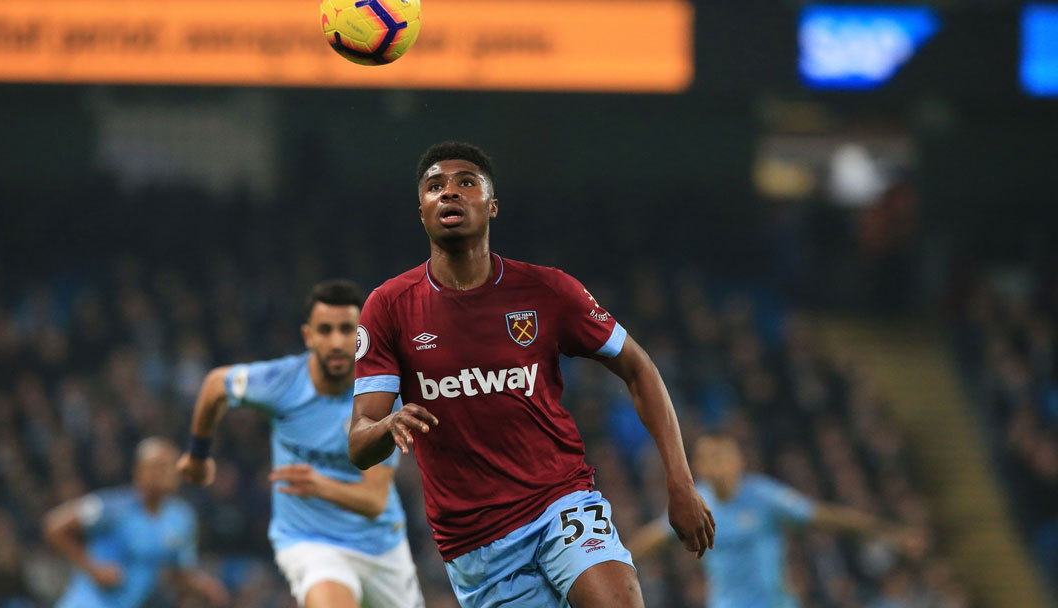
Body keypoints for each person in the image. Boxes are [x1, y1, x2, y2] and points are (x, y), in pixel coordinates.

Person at [349, 141, 716, 608]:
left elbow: (638, 367)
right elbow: (359, 443)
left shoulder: (546, 290)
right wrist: (387, 426)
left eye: (467, 183)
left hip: (560, 502)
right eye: (435, 186)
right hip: (476, 543)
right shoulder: (389, 307)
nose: (450, 194)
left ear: (492, 206)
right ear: (421, 211)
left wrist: (680, 481)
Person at [176, 280, 424, 608]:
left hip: (381, 547)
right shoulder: (282, 382)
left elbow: (374, 500)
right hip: (310, 543)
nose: (336, 342)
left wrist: (319, 485)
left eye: (347, 330)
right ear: (309, 336)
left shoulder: (379, 398)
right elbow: (214, 386)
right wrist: (197, 457)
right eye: (325, 330)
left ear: (362, 336)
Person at [628, 434, 923, 608]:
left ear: (739, 462)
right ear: (700, 467)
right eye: (711, 458)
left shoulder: (764, 496)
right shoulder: (694, 506)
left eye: (724, 457)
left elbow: (827, 517)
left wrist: (890, 533)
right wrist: (609, 567)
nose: (719, 466)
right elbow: (652, 539)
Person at [44, 437, 228, 608]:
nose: (166, 473)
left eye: (172, 466)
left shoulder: (181, 518)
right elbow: (55, 525)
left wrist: (205, 586)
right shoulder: (113, 507)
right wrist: (93, 569)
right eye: (158, 466)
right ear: (139, 472)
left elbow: (179, 572)